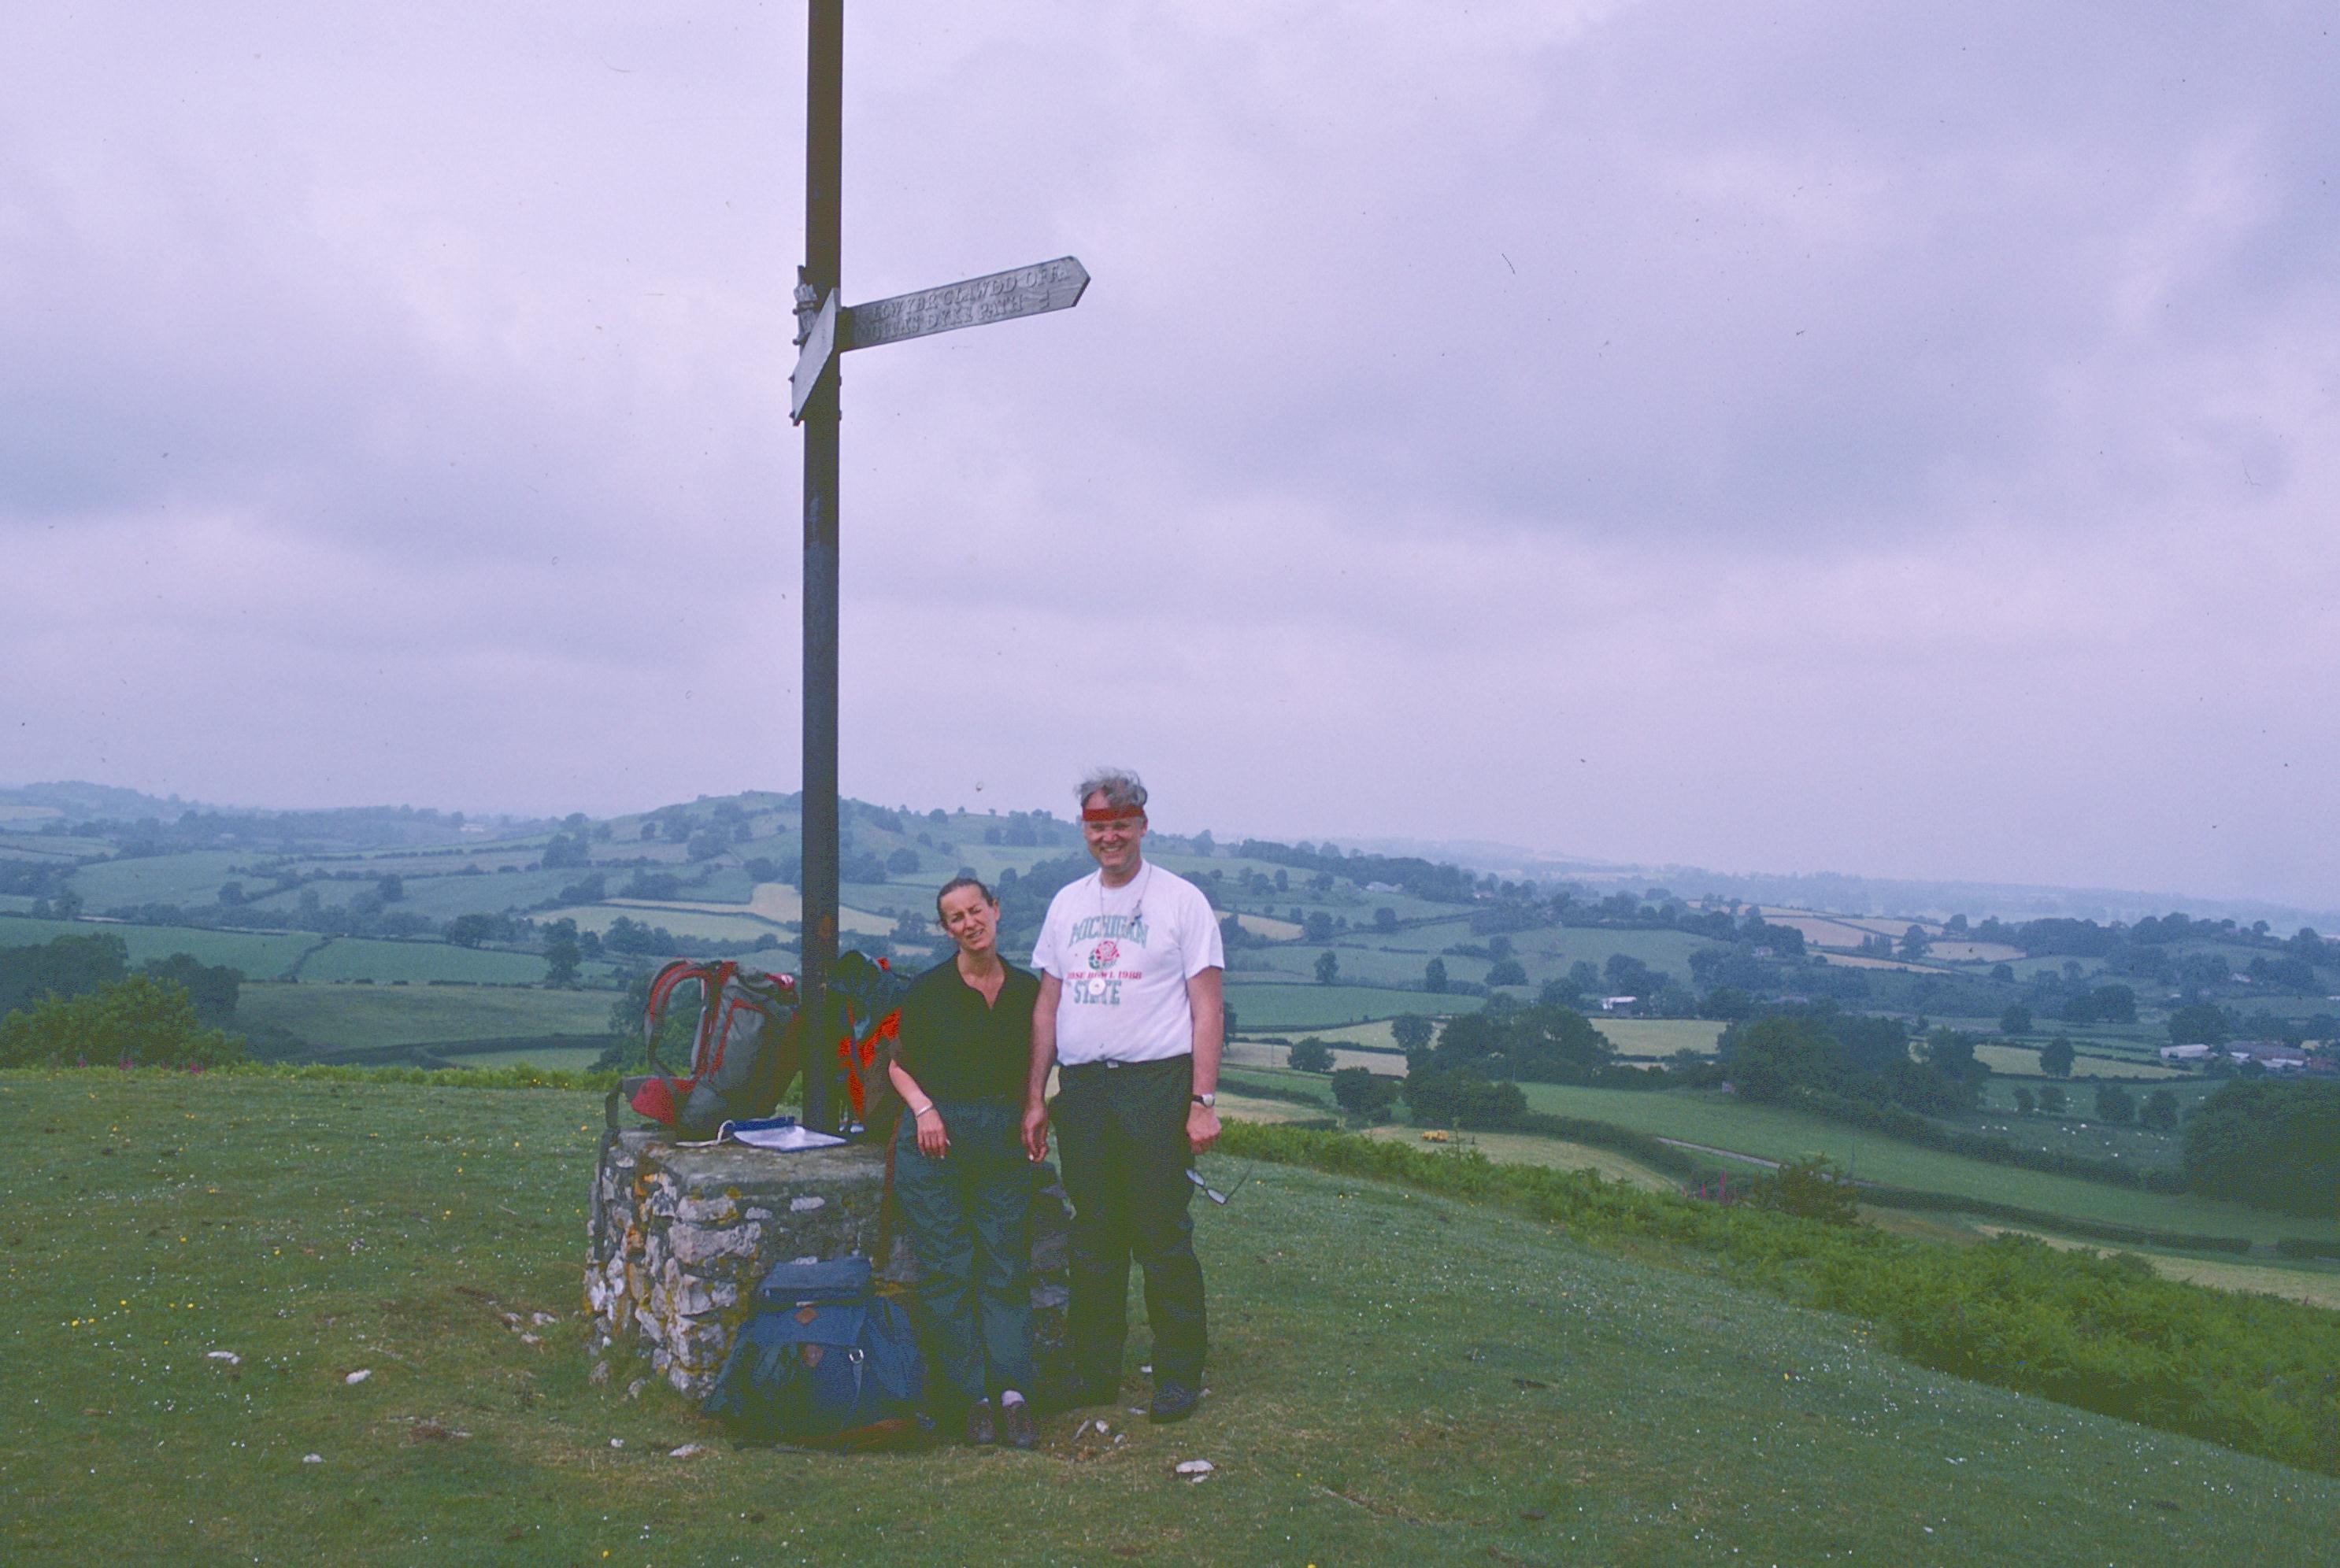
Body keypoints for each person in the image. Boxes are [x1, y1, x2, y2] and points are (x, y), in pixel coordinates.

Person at [1021, 767, 1224, 1424]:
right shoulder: (1067, 905)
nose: (1109, 836)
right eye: (1097, 825)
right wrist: (1035, 1096)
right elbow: (1047, 1007)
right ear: (1085, 829)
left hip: (1155, 1087)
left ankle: (1177, 1378)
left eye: (1120, 823)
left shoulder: (1182, 902)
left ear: (1142, 824)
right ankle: (1093, 1374)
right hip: (1083, 1090)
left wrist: (1202, 1100)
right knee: (1095, 1236)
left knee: (1162, 1233)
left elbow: (1208, 1008)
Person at [888, 876, 1042, 1448]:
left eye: (976, 910)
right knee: (949, 1267)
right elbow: (898, 1066)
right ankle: (970, 1400)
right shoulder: (928, 990)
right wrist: (925, 1111)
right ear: (946, 930)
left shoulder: (1027, 990)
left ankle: (1014, 1396)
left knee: (1004, 1263)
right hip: (937, 1140)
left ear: (996, 912)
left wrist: (1033, 1106)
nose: (969, 923)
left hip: (1002, 1136)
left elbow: (1037, 1059)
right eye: (955, 918)